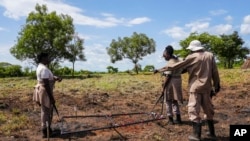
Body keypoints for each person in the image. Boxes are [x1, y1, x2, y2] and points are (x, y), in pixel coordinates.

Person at [154, 40, 220, 141]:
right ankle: (212, 133)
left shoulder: (192, 57)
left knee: (193, 110)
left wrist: (159, 70)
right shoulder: (210, 55)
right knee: (208, 109)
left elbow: (175, 66)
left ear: (192, 49)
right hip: (207, 87)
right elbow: (215, 71)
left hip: (196, 87)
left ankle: (196, 135)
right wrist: (217, 85)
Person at [33, 52, 62, 138]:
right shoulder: (44, 69)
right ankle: (46, 132)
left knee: (45, 111)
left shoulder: (41, 67)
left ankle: (47, 129)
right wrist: (51, 97)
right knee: (46, 111)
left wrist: (55, 78)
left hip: (43, 90)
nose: (49, 59)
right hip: (45, 92)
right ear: (43, 59)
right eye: (47, 58)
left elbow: (47, 78)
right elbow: (45, 84)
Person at [159, 45, 183, 125]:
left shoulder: (170, 62)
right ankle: (178, 119)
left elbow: (168, 76)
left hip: (171, 83)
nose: (164, 56)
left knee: (168, 101)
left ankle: (170, 119)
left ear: (168, 54)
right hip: (178, 81)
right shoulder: (178, 60)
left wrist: (163, 88)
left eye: (164, 55)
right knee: (175, 100)